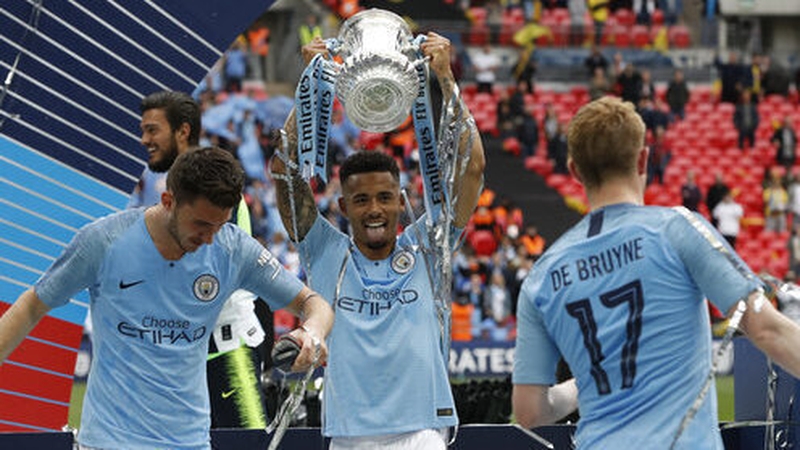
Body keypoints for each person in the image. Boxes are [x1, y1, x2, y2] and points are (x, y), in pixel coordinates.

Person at [512, 97, 800, 449]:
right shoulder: (678, 228)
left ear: (574, 170)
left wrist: (579, 386)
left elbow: (529, 412)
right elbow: (767, 329)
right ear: (644, 158)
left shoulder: (542, 275)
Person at [0, 147, 334, 449]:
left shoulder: (232, 248)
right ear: (168, 202)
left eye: (218, 225)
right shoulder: (104, 241)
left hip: (189, 443)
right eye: (200, 224)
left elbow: (313, 304)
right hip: (107, 443)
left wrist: (312, 333)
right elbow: (32, 305)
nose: (208, 239)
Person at [273, 32, 485, 449]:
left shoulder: (428, 247)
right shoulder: (324, 249)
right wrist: (309, 87)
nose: (375, 209)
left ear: (400, 200)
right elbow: (284, 173)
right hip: (349, 436)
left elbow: (472, 167)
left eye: (385, 198)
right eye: (362, 200)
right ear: (344, 206)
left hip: (421, 431)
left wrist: (445, 80)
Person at [139, 90, 272, 429]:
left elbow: (202, 271)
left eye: (154, 130)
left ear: (183, 131)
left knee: (247, 445)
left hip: (229, 350)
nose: (145, 140)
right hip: (187, 354)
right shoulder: (173, 191)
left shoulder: (214, 185)